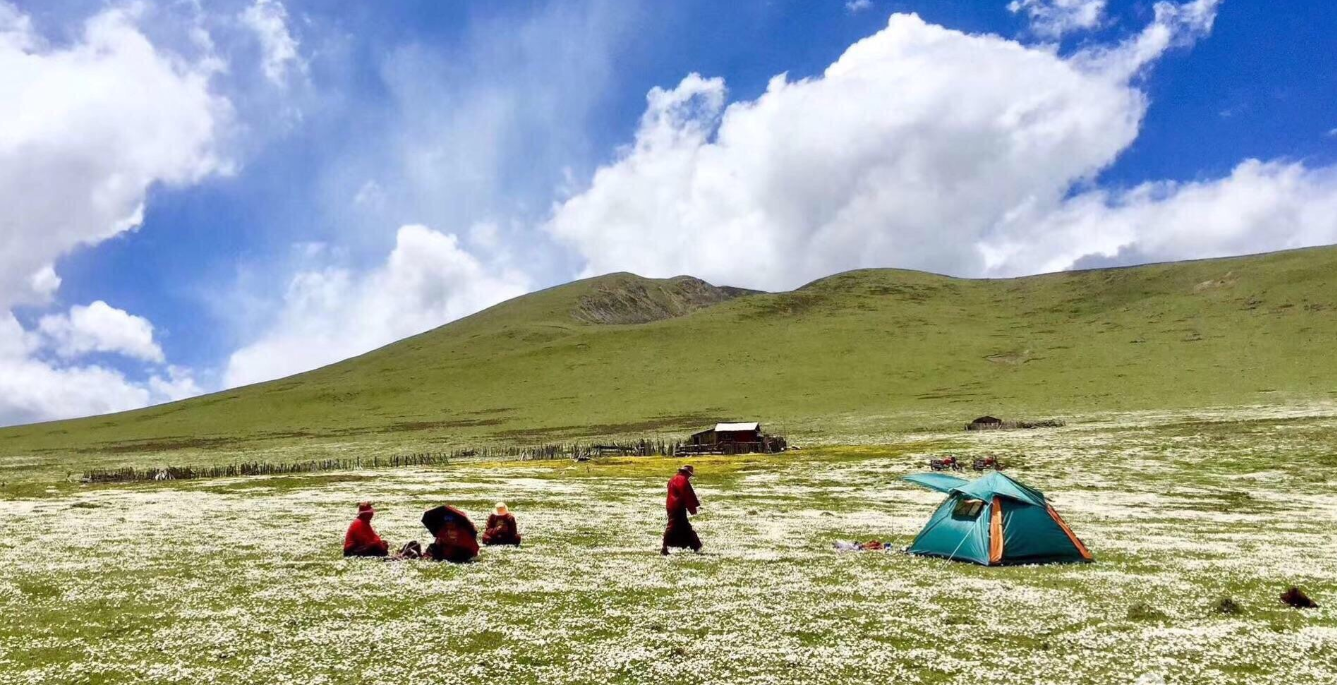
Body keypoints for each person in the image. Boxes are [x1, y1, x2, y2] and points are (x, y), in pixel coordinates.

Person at [662, 464, 702, 555]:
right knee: (673, 527)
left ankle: (695, 545)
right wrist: (692, 508)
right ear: (687, 473)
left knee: (683, 526)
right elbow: (687, 495)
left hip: (670, 506)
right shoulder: (683, 481)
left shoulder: (673, 479)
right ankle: (664, 547)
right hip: (678, 507)